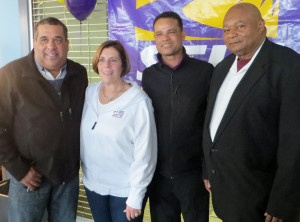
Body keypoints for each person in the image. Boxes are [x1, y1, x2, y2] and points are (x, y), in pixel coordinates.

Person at [202, 3, 300, 222]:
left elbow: (294, 142)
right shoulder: (221, 68)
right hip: (227, 191)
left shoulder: (289, 65)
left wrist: (283, 199)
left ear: (260, 26)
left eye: (240, 26)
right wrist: (208, 169)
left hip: (264, 199)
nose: (232, 34)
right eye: (226, 29)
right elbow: (213, 123)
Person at [0, 17, 88, 222]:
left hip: (67, 175)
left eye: (58, 39)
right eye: (44, 39)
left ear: (67, 44)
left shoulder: (78, 74)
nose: (51, 46)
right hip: (29, 177)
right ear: (34, 42)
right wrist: (19, 170)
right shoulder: (10, 75)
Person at [142, 11, 214, 222]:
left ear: (183, 34)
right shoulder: (149, 75)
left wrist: (209, 169)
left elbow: (214, 123)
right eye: (159, 34)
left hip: (193, 175)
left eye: (171, 32)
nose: (165, 38)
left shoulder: (205, 72)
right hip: (159, 176)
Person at [80, 40, 157, 222]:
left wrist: (136, 196)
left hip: (125, 191)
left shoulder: (138, 102)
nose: (106, 65)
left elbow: (146, 153)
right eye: (102, 59)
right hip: (93, 186)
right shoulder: (89, 93)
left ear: (123, 64)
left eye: (113, 60)